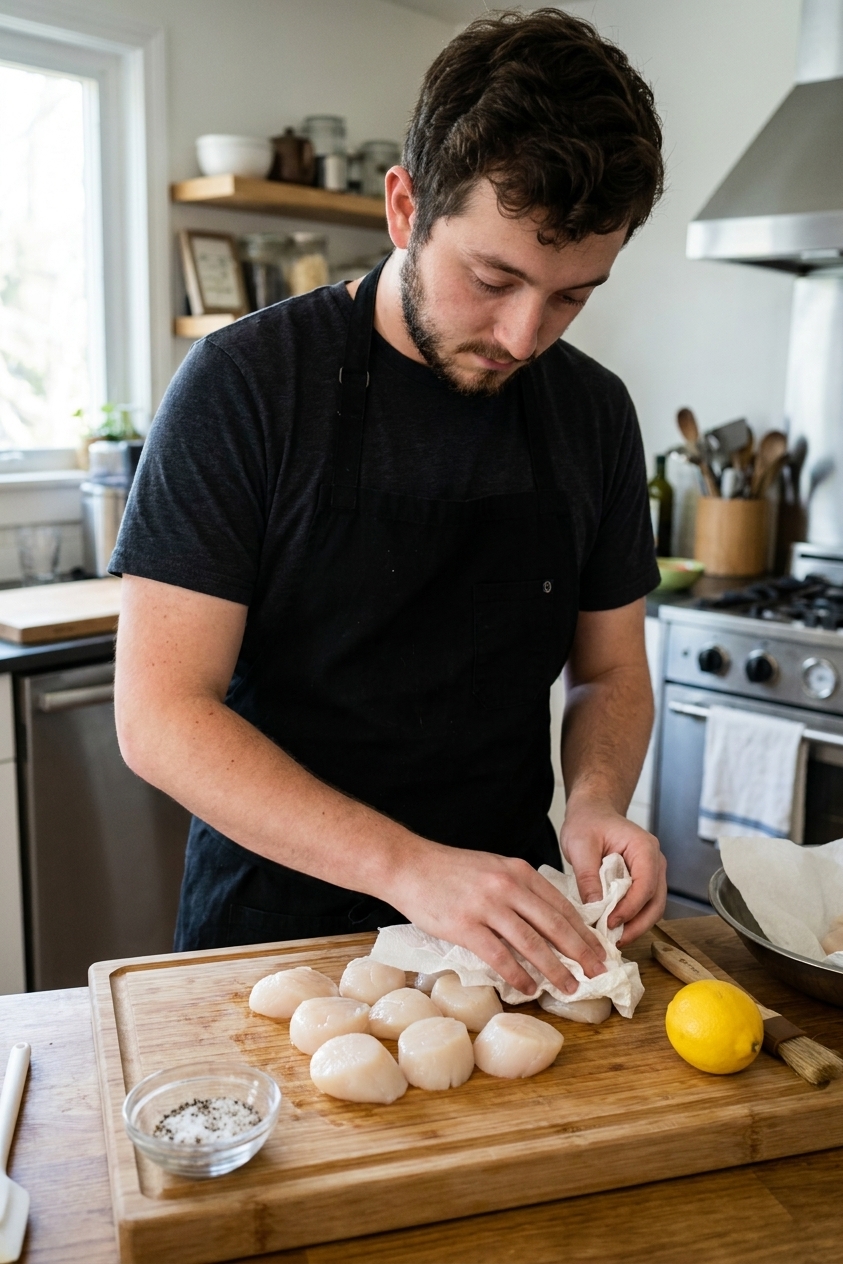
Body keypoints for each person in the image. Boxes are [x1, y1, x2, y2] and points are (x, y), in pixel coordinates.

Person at [113, 7, 667, 997]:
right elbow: (159, 713)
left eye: (574, 294)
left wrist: (592, 802)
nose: (524, 333)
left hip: (509, 937)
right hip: (271, 937)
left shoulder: (594, 414)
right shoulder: (246, 386)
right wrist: (408, 868)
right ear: (405, 208)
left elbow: (611, 670)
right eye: (493, 277)